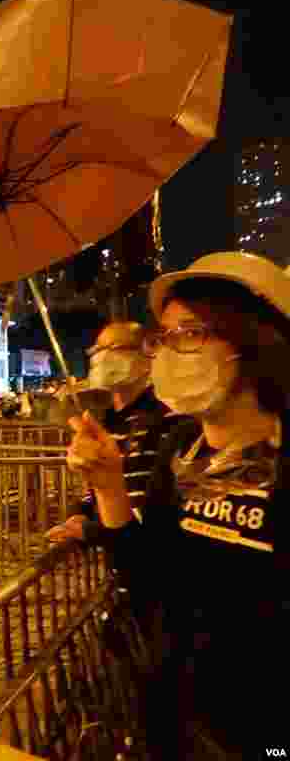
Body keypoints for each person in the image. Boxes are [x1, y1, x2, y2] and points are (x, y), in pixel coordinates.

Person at [66, 251, 290, 758]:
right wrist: (108, 485)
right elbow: (152, 576)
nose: (168, 353)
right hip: (176, 714)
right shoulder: (179, 449)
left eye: (190, 333)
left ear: (253, 342)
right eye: (163, 337)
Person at [48, 322, 176, 547]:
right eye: (96, 350)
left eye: (115, 348)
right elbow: (98, 488)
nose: (102, 357)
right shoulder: (104, 421)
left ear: (148, 354)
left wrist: (92, 532)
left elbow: (157, 518)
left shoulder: (167, 420)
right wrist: (82, 513)